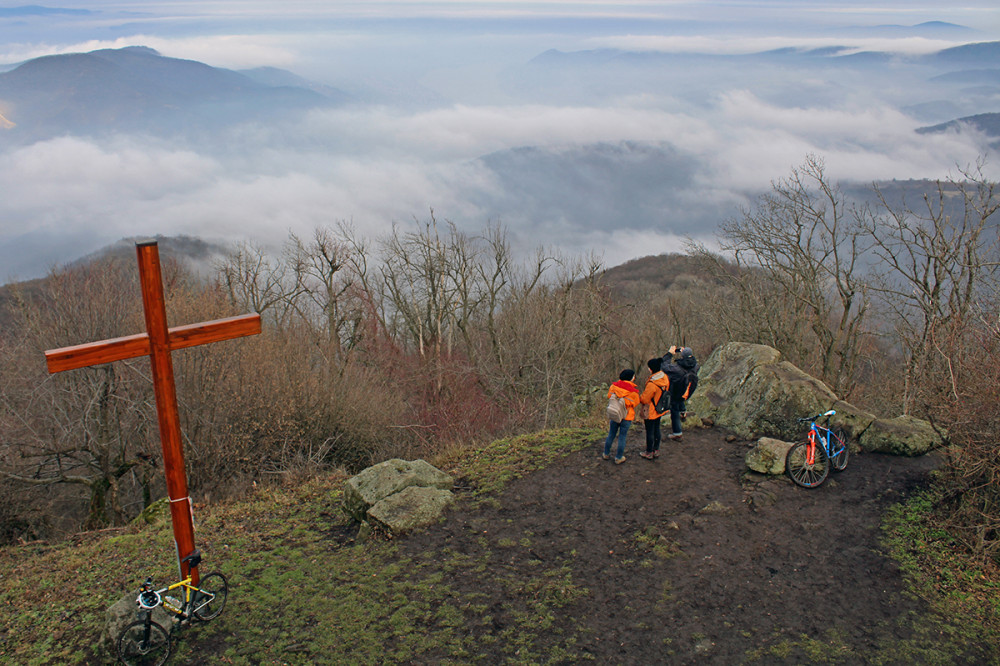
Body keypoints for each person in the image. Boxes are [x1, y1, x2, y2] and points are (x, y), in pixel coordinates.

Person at [661, 346, 699, 441]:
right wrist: (684, 354)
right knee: (681, 398)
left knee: (674, 411)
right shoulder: (695, 365)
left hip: (676, 392)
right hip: (686, 391)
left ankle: (677, 433)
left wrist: (670, 354)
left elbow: (663, 366)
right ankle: (683, 412)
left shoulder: (677, 369)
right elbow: (689, 362)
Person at [603, 369, 640, 464]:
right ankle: (618, 457)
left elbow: (609, 396)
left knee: (611, 434)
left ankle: (606, 453)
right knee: (622, 437)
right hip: (626, 417)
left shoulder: (613, 387)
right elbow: (635, 403)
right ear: (631, 378)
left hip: (615, 413)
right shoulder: (633, 392)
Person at [638, 357, 669, 460]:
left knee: (650, 431)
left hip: (651, 410)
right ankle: (656, 450)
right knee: (657, 430)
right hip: (660, 408)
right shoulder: (664, 378)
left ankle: (649, 452)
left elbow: (644, 399)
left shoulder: (652, 384)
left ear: (651, 369)